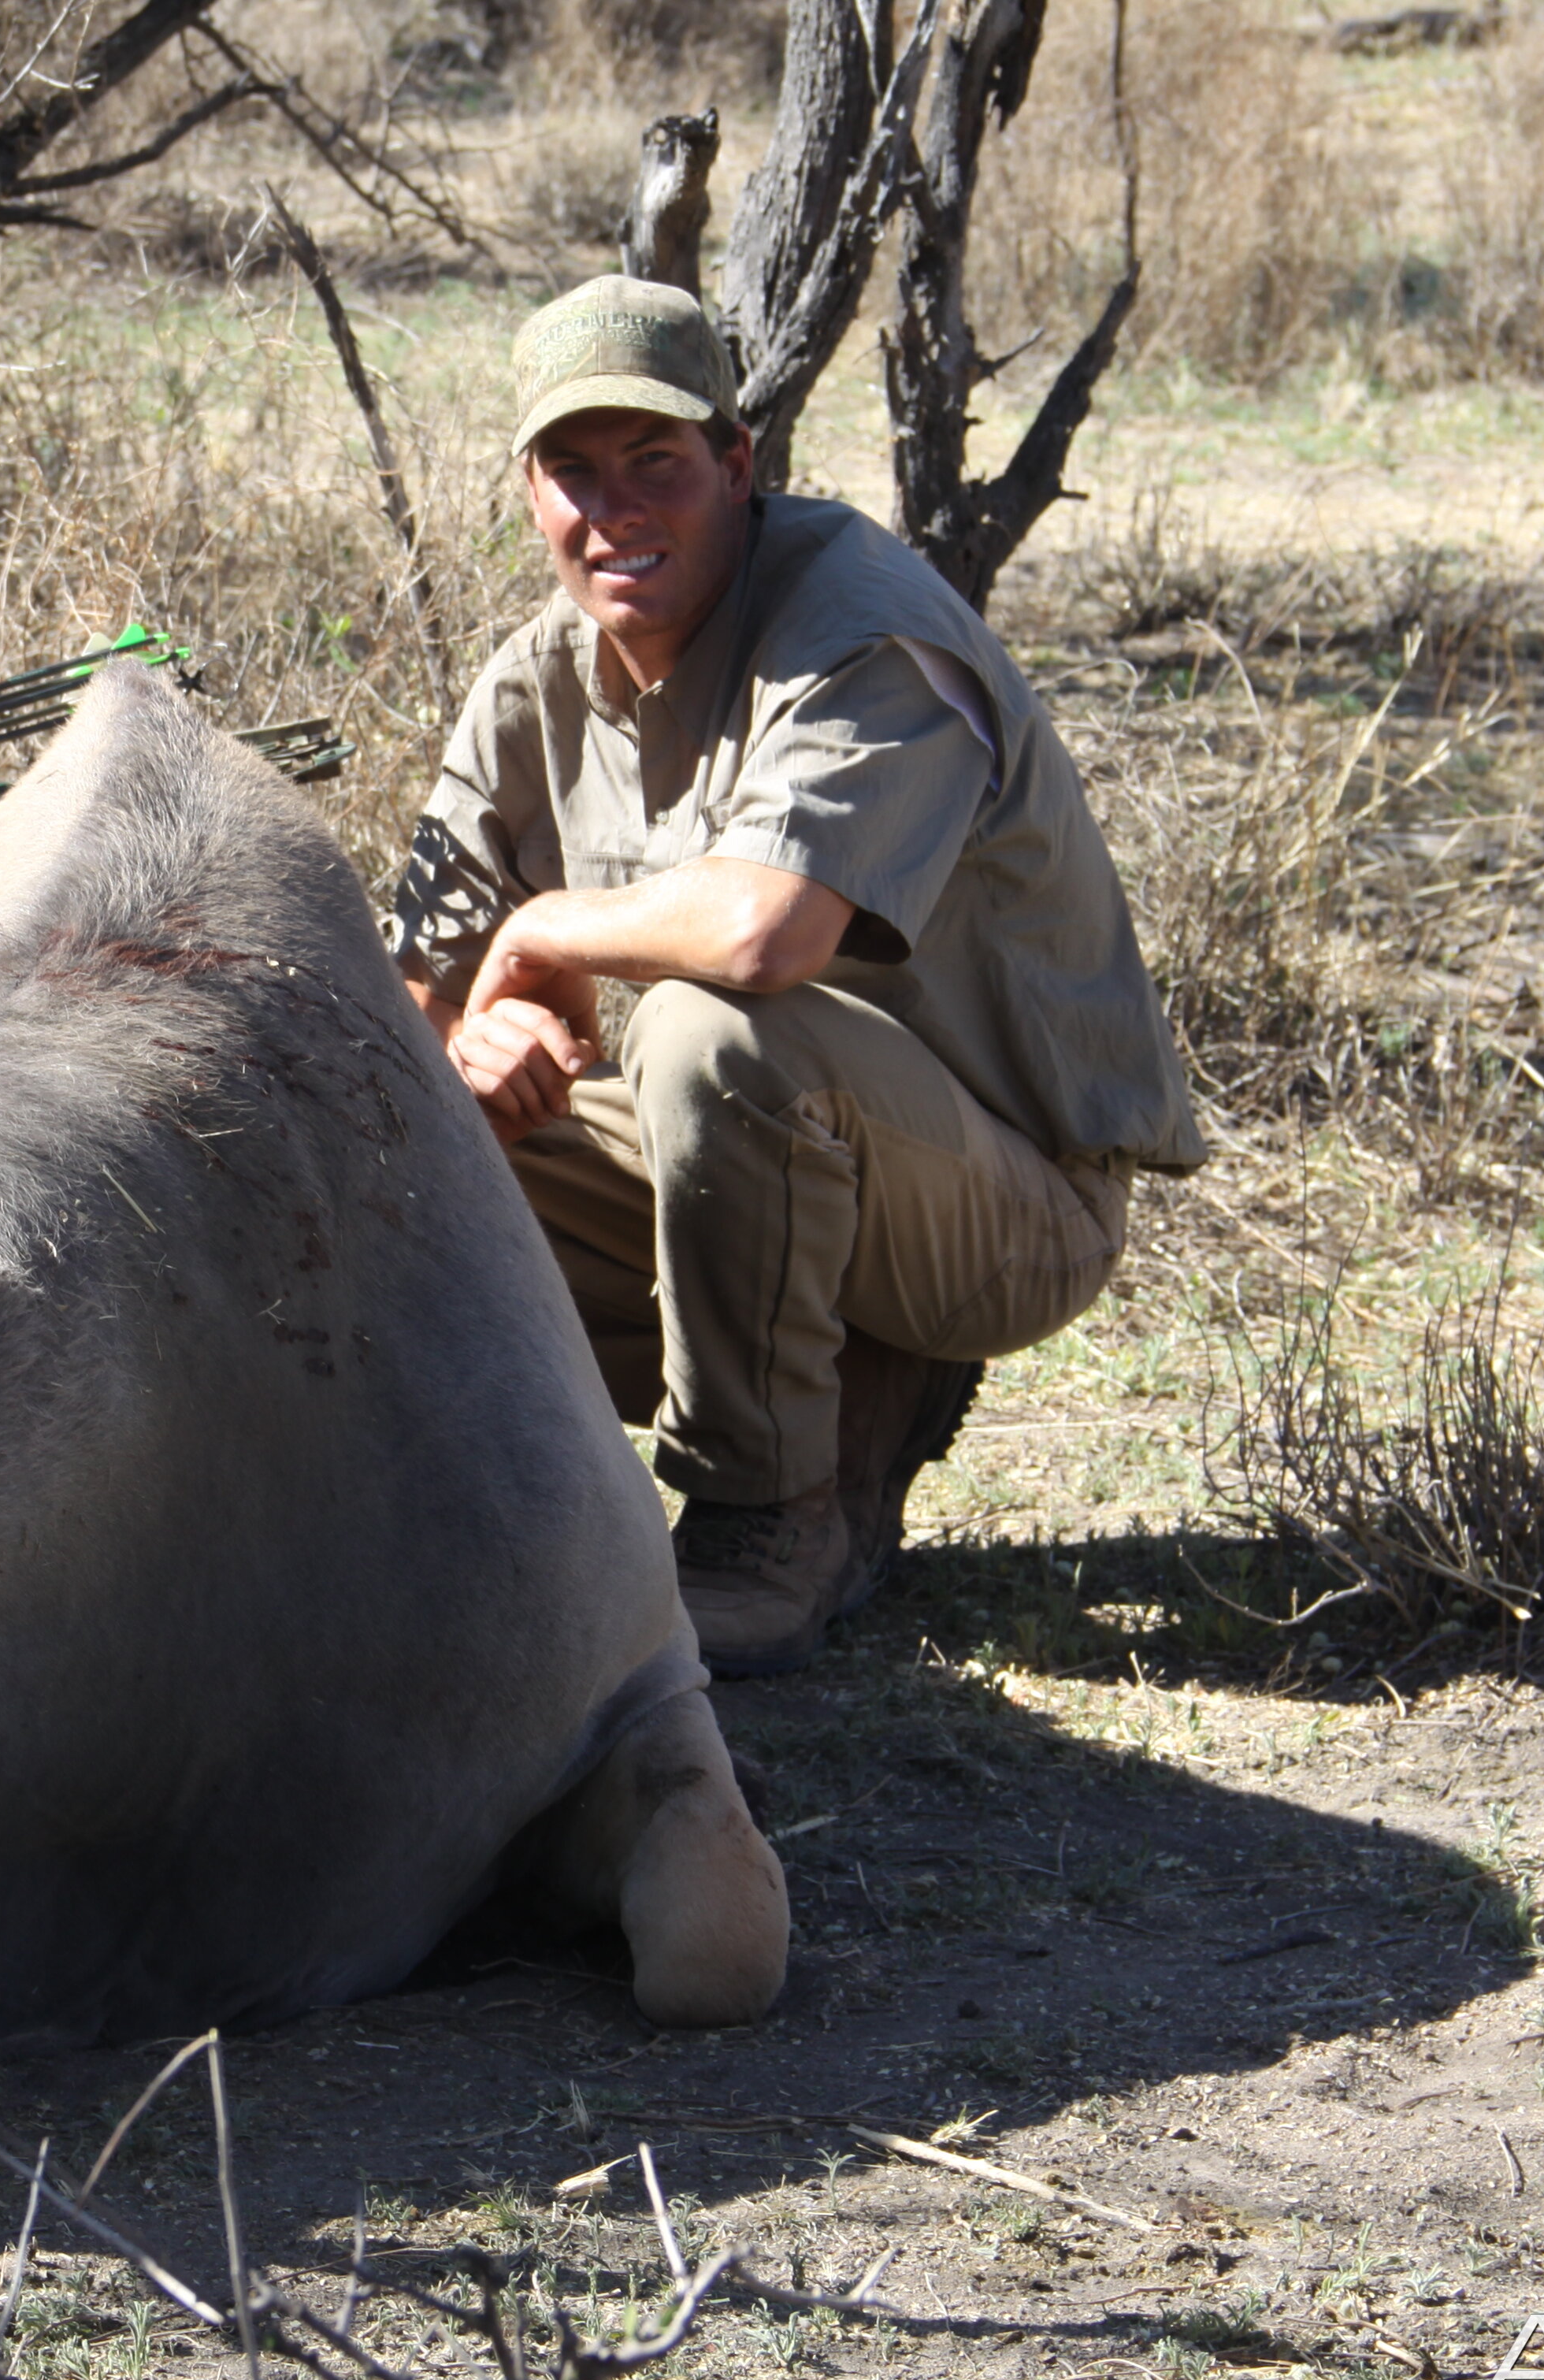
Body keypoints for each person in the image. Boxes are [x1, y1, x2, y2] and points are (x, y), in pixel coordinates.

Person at [387, 274, 1204, 1676]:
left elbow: (768, 938)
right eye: (573, 472)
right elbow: (408, 1004)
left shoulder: (858, 620)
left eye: (658, 464)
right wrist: (475, 1038)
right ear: (527, 489)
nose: (615, 511)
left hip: (1014, 1204)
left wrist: (538, 940)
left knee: (714, 1034)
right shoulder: (533, 684)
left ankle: (764, 1521)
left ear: (739, 464)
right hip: (784, 1173)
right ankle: (484, 1497)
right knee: (410, 1132)